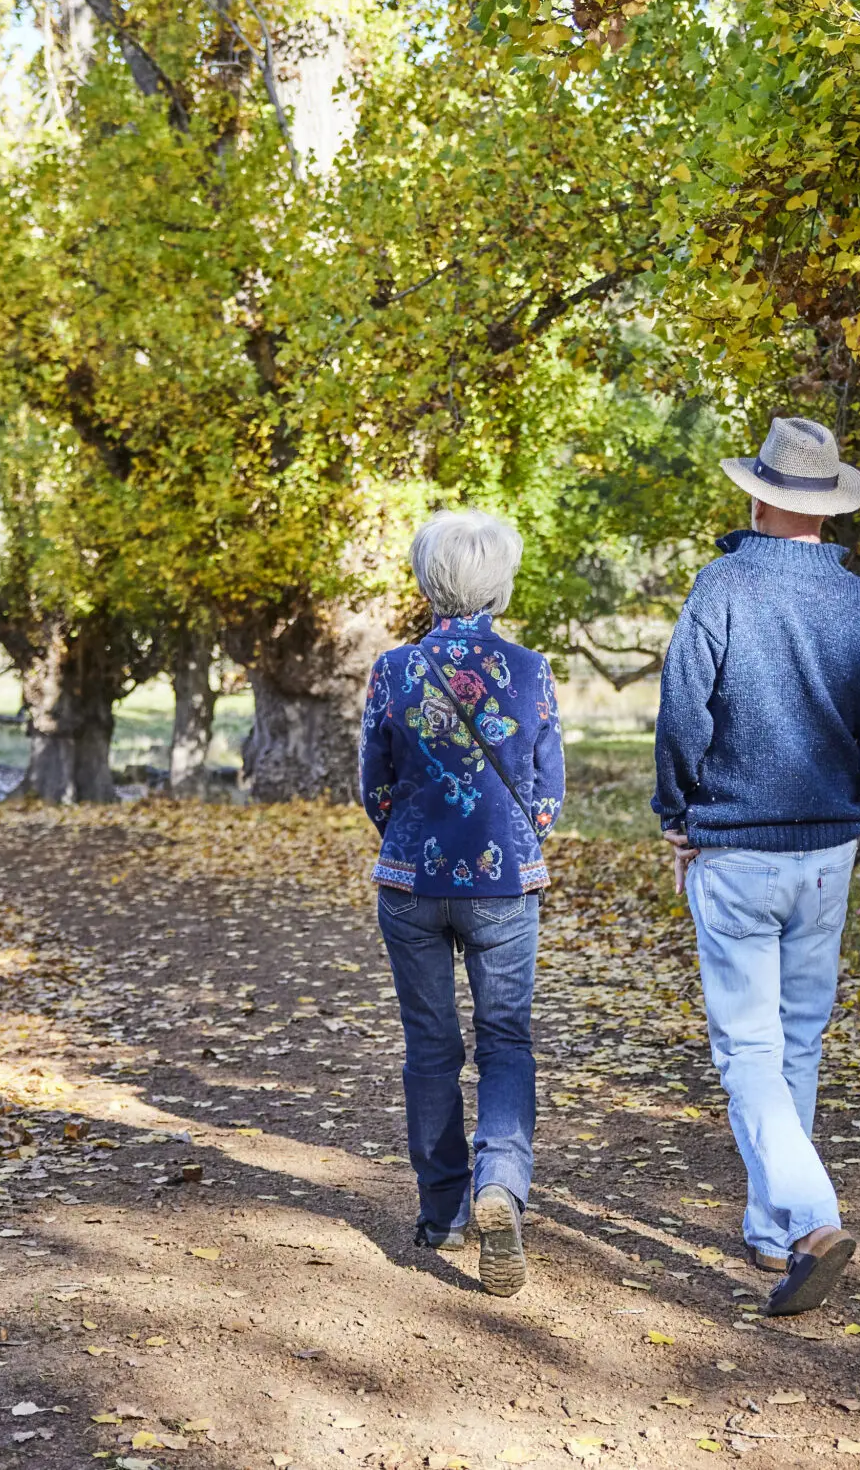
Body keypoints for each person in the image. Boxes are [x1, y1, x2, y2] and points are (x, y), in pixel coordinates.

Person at [652, 416, 860, 1317]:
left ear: (759, 495)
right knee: (796, 1042)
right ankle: (773, 1232)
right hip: (828, 860)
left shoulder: (721, 587)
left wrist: (675, 816)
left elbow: (683, 715)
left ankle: (809, 1220)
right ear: (823, 505)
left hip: (735, 851)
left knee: (750, 1051)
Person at [359, 509, 566, 1297]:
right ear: (501, 582)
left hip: (411, 882)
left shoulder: (393, 669)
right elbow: (547, 797)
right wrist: (510, 842)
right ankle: (500, 1186)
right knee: (506, 1040)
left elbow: (374, 786)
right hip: (504, 883)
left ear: (426, 579)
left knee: (430, 1046)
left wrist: (412, 835)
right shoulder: (531, 668)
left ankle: (441, 1211)